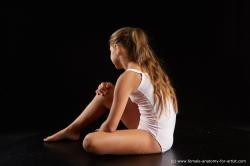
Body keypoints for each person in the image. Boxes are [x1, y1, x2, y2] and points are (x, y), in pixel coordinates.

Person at [43, 27, 179, 155]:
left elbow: (110, 126)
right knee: (106, 93)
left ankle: (74, 131)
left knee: (90, 141)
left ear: (117, 48)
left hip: (155, 139)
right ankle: (71, 130)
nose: (110, 54)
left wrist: (102, 131)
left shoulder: (128, 76)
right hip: (158, 131)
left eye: (110, 51)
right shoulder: (147, 69)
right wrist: (112, 91)